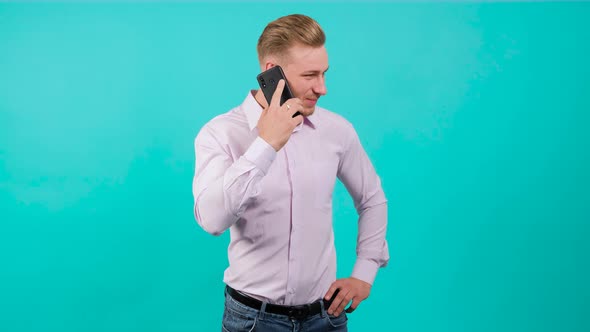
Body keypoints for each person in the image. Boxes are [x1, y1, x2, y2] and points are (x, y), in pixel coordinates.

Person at [192, 14, 389, 332]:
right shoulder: (221, 133)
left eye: (324, 74)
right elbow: (212, 220)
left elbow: (372, 199)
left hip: (325, 318)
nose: (322, 88)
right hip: (253, 321)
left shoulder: (337, 130)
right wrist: (266, 144)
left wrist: (364, 273)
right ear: (272, 73)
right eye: (310, 75)